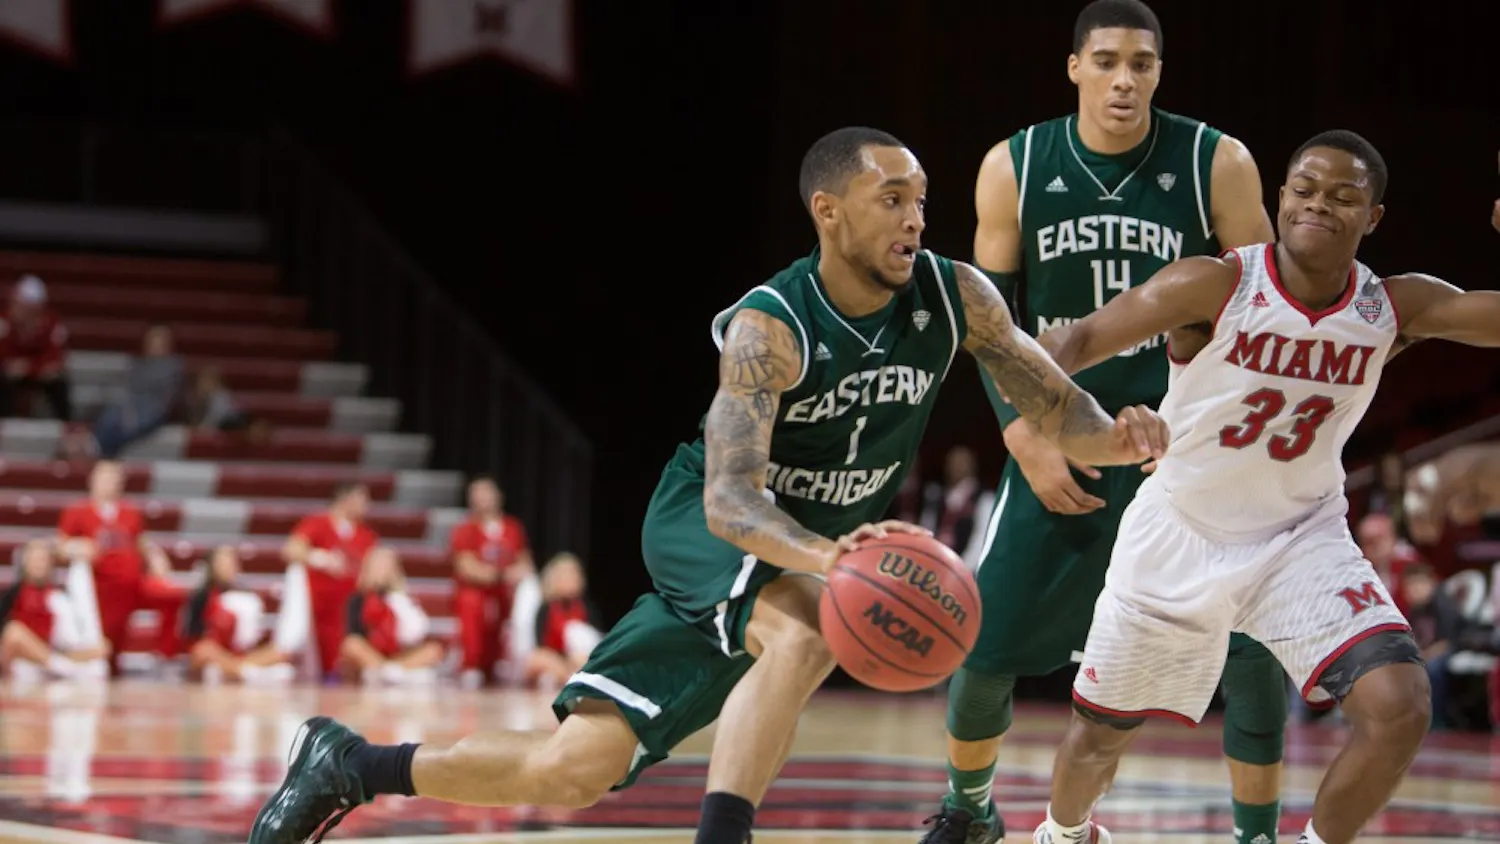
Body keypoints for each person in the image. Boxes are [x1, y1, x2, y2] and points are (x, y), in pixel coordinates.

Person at [247, 125, 1170, 844]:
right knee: (809, 634)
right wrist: (825, 556)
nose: (914, 219)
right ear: (829, 210)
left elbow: (1055, 407)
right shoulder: (772, 326)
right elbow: (731, 500)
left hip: (797, 556)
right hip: (710, 527)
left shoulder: (955, 293)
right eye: (891, 199)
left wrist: (1128, 439)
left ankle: (352, 765)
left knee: (576, 768)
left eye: (921, 200)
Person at [1023, 130, 1500, 844]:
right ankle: (1062, 833)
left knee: (1400, 705)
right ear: (1280, 197)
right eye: (1304, 190)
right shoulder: (1213, 284)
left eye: (1343, 197)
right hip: (1180, 530)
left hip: (1300, 538)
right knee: (1099, 736)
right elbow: (1073, 343)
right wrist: (1063, 429)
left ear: (1373, 217)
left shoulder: (1393, 308)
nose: (1318, 206)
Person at [924, 2, 1288, 842]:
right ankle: (967, 810)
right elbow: (990, 323)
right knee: (986, 644)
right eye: (1108, 61)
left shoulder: (1216, 162)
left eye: (1143, 64)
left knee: (1250, 649)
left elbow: (1263, 313)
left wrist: (1218, 431)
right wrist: (1022, 433)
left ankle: (1257, 833)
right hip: (1067, 437)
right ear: (1075, 66)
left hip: (1188, 446)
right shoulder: (1013, 165)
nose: (1125, 80)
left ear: (1160, 70)